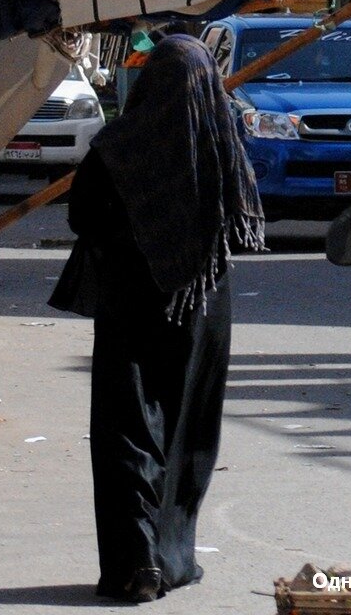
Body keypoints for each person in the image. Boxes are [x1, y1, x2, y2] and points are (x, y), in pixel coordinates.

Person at [49, 34, 264, 603]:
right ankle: (171, 558)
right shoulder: (221, 137)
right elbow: (238, 213)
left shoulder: (118, 144)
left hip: (129, 298)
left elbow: (82, 214)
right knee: (188, 425)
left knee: (128, 424)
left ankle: (133, 565)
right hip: (203, 301)